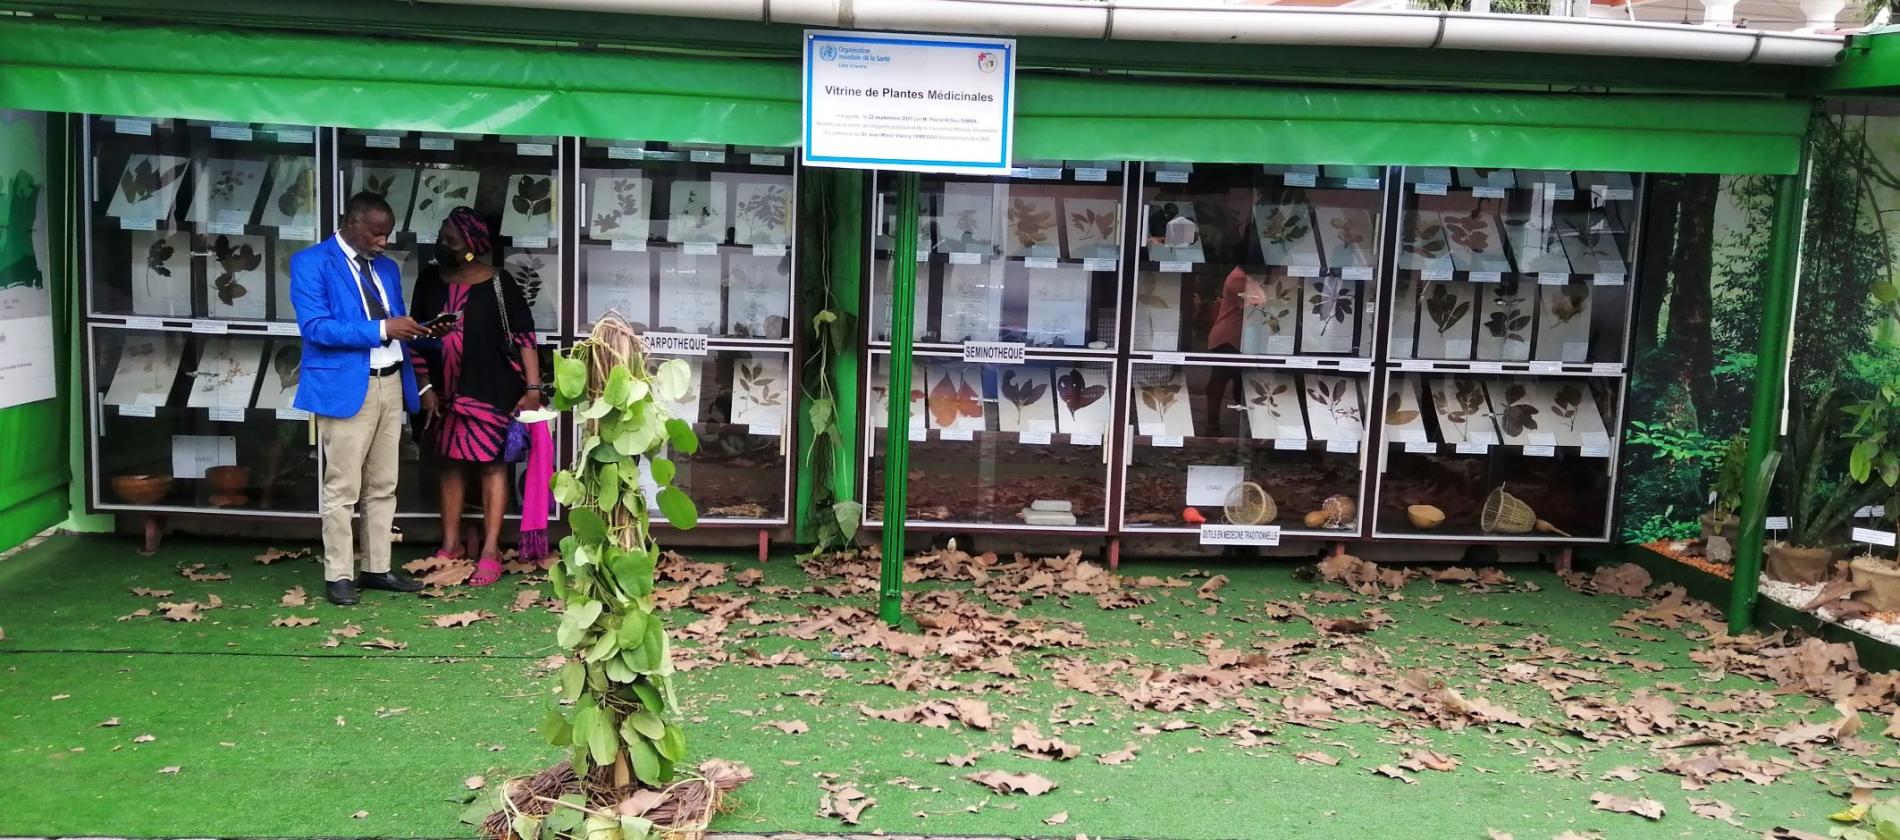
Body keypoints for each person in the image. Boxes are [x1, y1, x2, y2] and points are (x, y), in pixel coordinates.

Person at [291, 192, 446, 606]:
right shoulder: (311, 263)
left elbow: (394, 326)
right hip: (346, 386)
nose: (383, 241)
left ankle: (377, 567)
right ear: (352, 222)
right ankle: (338, 573)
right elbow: (317, 328)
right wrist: (381, 329)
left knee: (384, 484)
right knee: (342, 486)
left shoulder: (388, 270)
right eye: (377, 233)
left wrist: (421, 332)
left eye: (387, 234)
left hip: (392, 381)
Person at [408, 207, 545, 587]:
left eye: (450, 239)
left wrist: (533, 390)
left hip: (491, 390)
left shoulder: (500, 284)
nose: (442, 244)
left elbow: (525, 338)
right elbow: (415, 336)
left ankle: (489, 550)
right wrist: (424, 387)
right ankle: (450, 545)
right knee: (448, 465)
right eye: (441, 235)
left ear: (472, 244)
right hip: (441, 393)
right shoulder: (429, 280)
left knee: (491, 466)